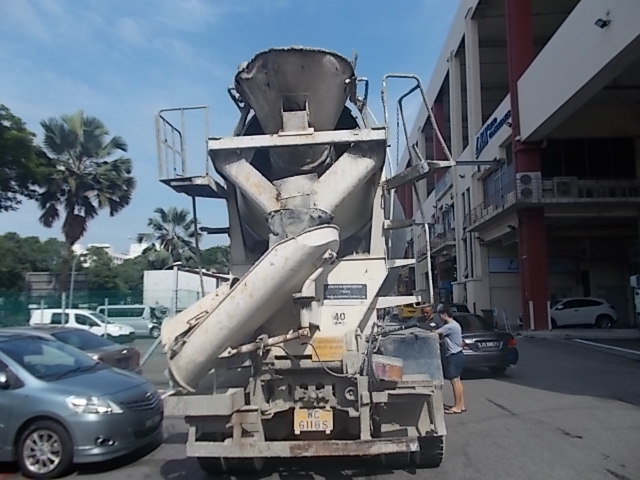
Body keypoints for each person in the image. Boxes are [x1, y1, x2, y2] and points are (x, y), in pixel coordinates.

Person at [436, 306, 466, 414]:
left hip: (453, 355)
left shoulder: (449, 326)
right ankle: (461, 405)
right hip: (458, 354)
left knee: (454, 381)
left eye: (440, 315)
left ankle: (457, 406)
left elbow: (434, 333)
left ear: (444, 314)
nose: (439, 317)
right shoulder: (456, 325)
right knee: (457, 380)